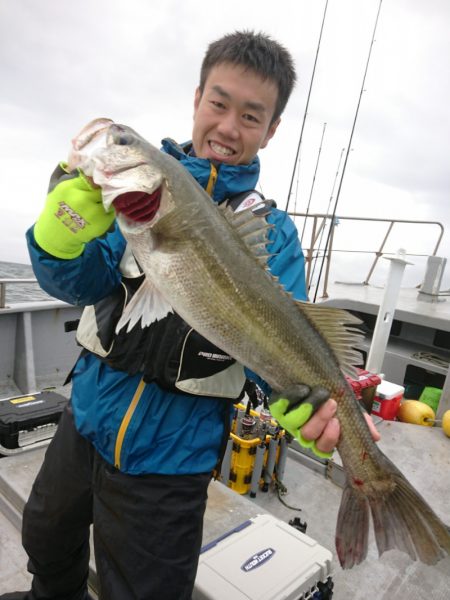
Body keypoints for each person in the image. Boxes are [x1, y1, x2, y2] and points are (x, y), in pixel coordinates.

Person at [2, 31, 378, 600]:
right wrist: (61, 232)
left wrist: (311, 401)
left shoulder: (274, 235)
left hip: (172, 460)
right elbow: (75, 284)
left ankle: (373, 480)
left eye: (251, 116)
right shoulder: (133, 204)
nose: (228, 127)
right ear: (197, 98)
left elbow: (283, 347)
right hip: (85, 420)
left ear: (271, 131)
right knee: (47, 539)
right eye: (219, 103)